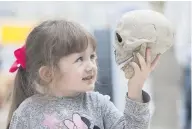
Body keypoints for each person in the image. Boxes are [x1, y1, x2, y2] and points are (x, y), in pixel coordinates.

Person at [7, 20, 160, 129]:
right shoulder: (27, 112)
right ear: (48, 73)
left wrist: (136, 87)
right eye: (79, 59)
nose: (91, 66)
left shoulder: (98, 104)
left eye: (92, 57)